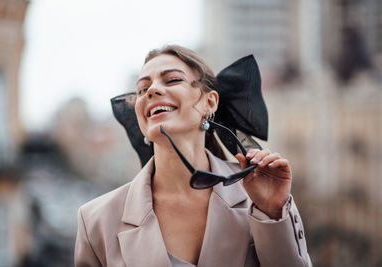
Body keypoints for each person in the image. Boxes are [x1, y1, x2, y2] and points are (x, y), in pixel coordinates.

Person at [74, 45, 312, 267]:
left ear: (210, 102)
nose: (152, 90)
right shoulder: (95, 220)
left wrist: (271, 213)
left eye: (173, 79)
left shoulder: (259, 194)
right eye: (142, 89)